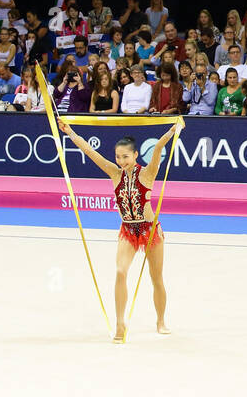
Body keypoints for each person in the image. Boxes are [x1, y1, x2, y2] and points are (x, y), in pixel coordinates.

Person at [58, 119, 182, 341]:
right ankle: (120, 323)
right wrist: (70, 132)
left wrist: (173, 130)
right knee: (120, 271)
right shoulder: (115, 174)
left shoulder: (148, 173)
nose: (121, 161)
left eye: (125, 156)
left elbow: (158, 148)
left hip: (150, 230)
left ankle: (161, 320)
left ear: (135, 155)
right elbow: (89, 152)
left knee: (156, 278)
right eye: (118, 157)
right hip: (128, 230)